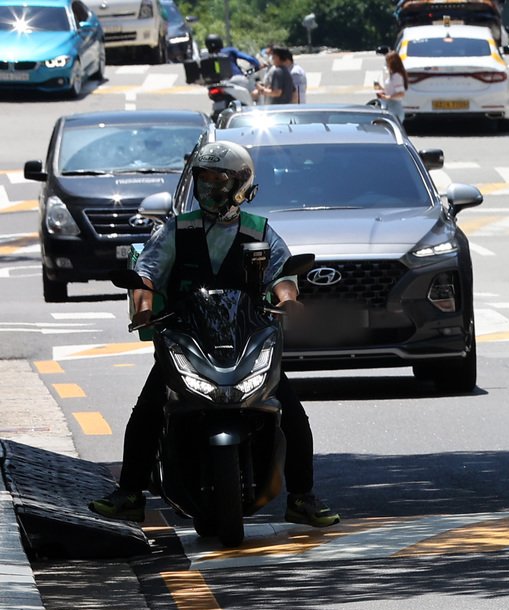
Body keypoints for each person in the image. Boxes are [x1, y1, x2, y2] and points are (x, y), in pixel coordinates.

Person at [89, 141, 340, 528]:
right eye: (202, 180)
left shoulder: (259, 231)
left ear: (241, 184)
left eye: (218, 180)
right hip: (186, 340)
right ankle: (130, 494)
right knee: (148, 411)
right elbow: (147, 273)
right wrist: (143, 307)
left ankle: (302, 497)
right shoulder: (177, 228)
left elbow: (283, 275)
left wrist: (289, 301)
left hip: (247, 340)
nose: (208, 189)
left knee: (291, 412)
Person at [374, 52, 408, 122]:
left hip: (395, 108)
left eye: (387, 61)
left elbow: (401, 93)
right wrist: (381, 89)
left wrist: (387, 97)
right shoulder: (393, 75)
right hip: (390, 107)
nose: (386, 64)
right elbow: (391, 90)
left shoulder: (397, 76)